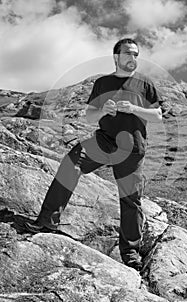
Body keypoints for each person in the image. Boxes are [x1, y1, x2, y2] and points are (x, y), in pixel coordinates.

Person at [25, 38, 162, 271]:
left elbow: (157, 115)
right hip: (104, 141)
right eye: (128, 53)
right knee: (71, 163)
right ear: (116, 57)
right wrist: (103, 110)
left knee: (131, 199)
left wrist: (135, 109)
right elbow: (89, 116)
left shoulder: (145, 83)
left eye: (137, 54)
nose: (133, 58)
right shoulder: (102, 83)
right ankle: (47, 222)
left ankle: (130, 253)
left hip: (133, 147)